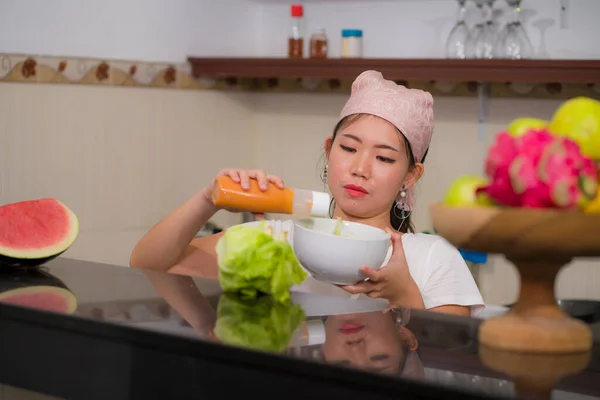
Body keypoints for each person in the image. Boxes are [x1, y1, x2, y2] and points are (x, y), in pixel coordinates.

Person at [130, 70, 485, 317]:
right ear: (329, 150)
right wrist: (207, 199)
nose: (361, 167)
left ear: (410, 175)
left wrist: (401, 290)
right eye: (348, 148)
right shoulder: (277, 241)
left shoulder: (432, 257)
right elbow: (148, 265)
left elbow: (448, 357)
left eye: (384, 157)